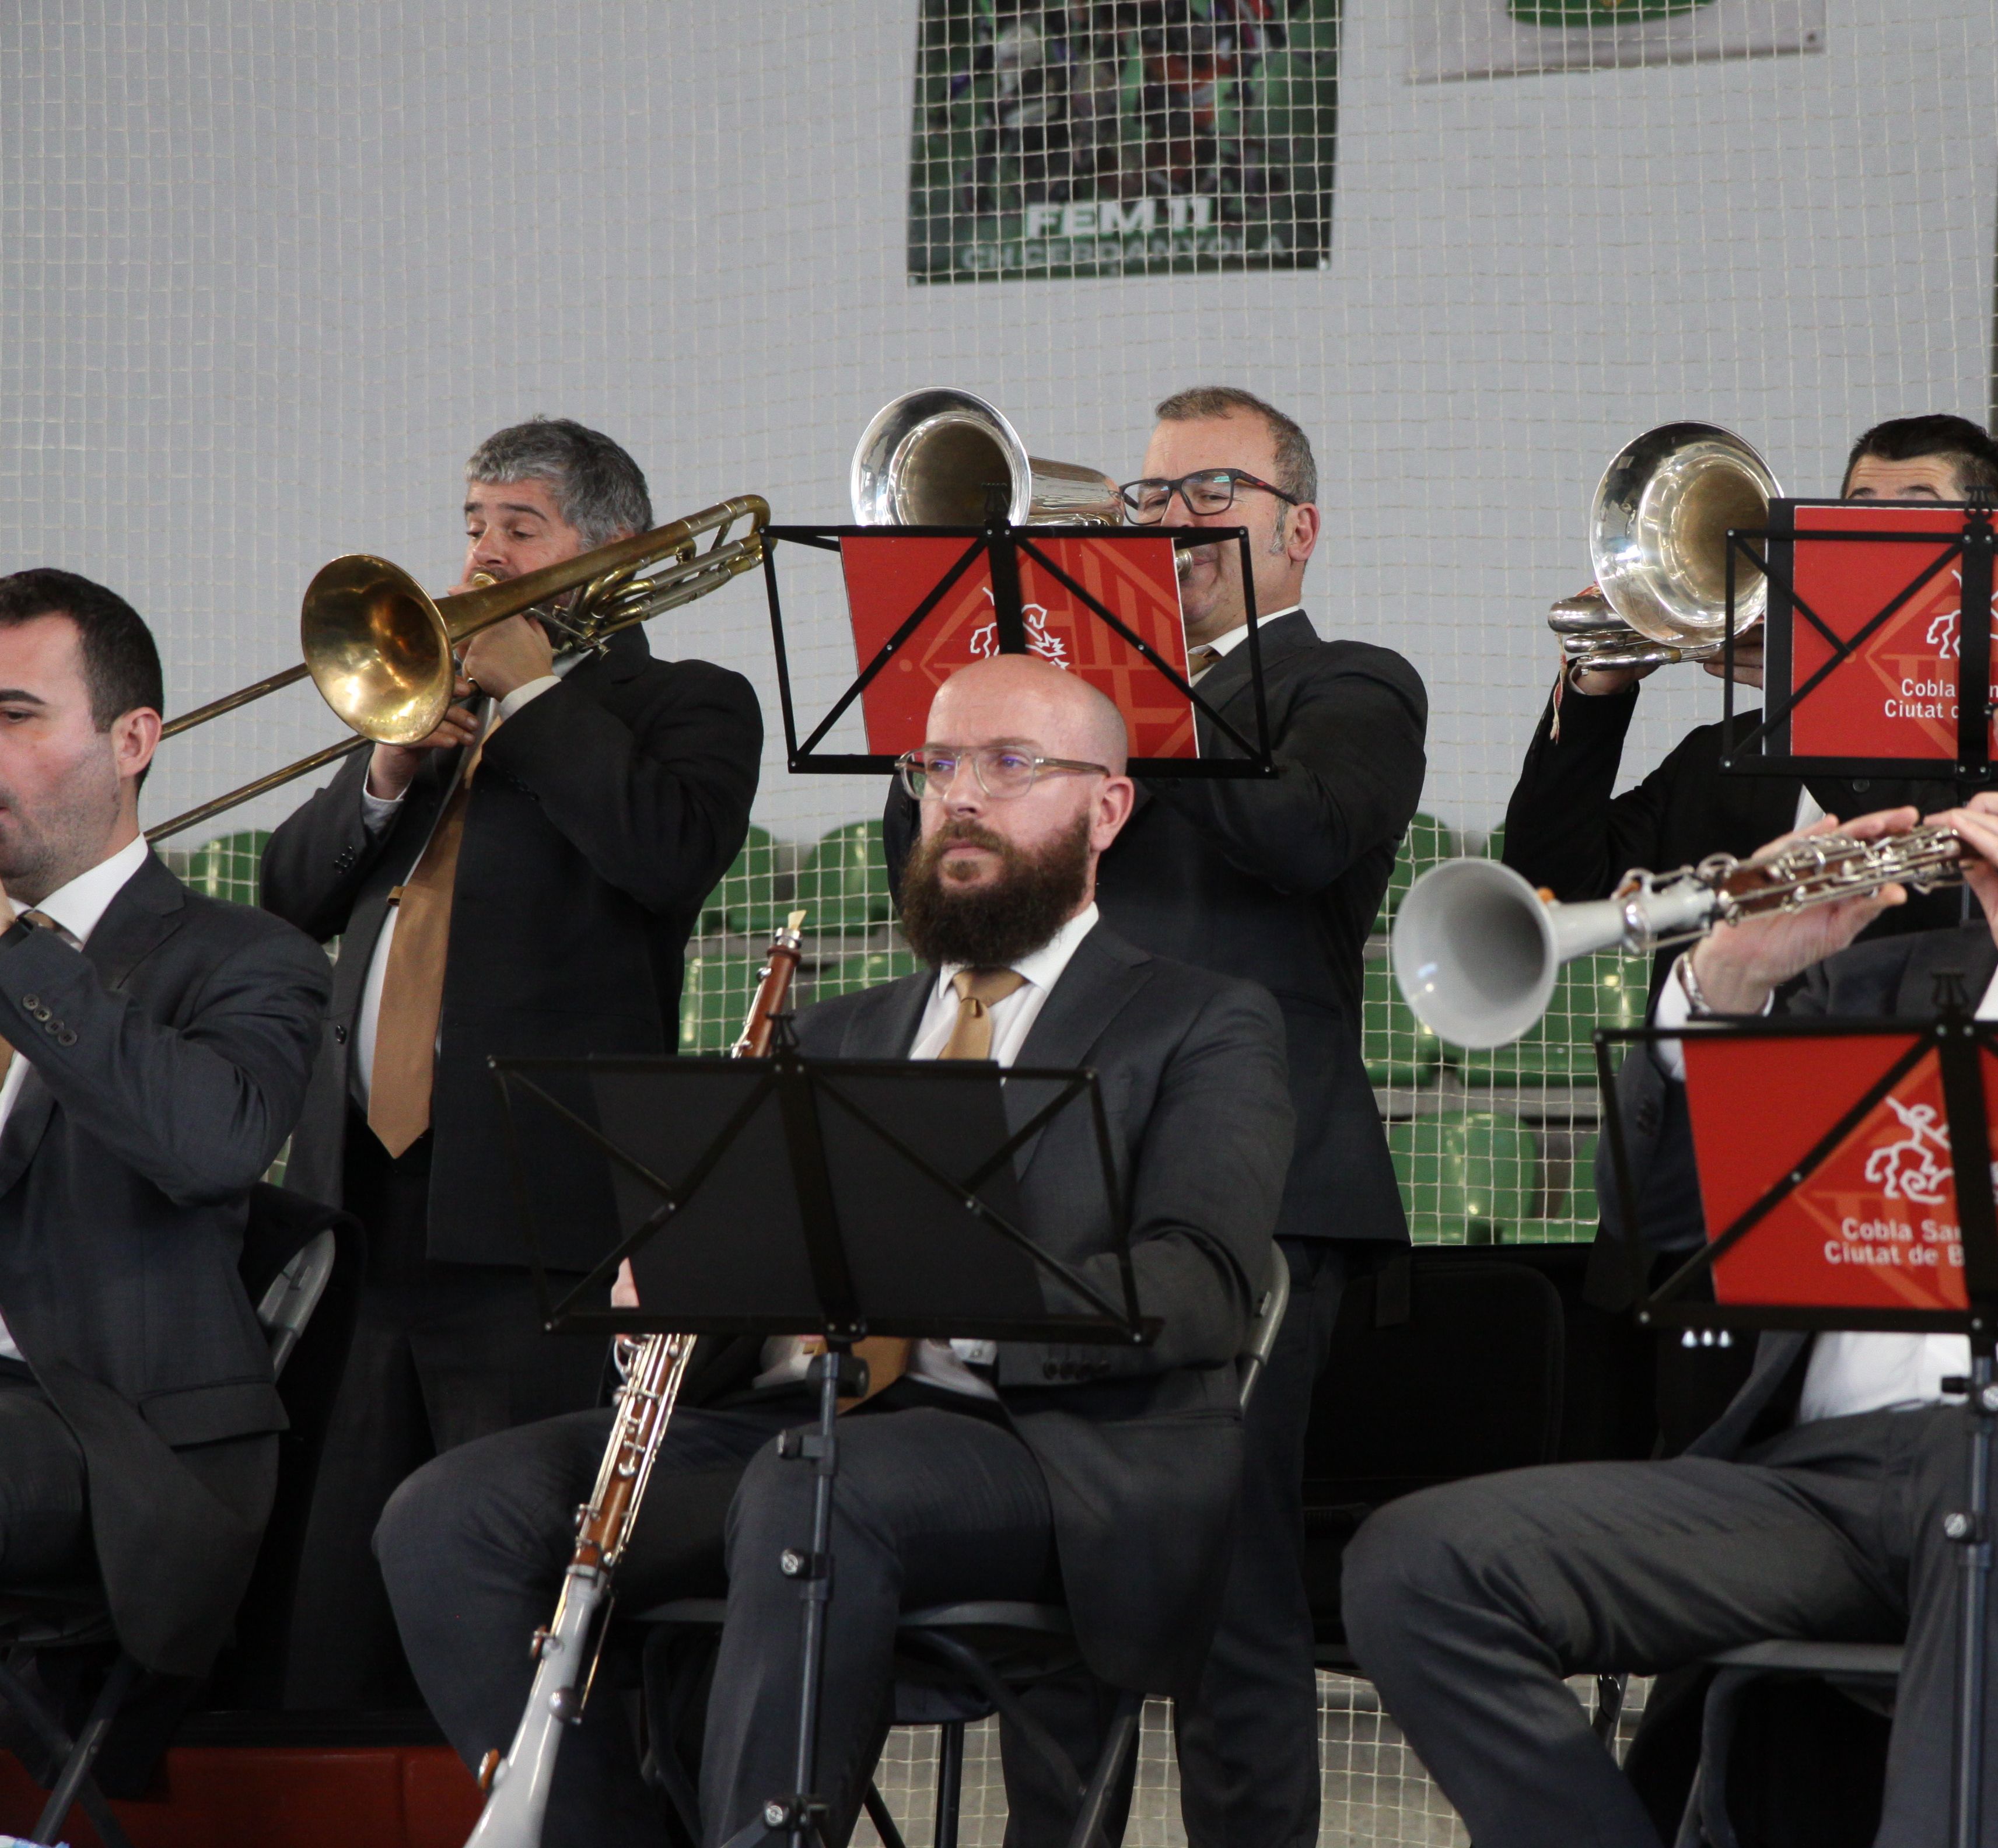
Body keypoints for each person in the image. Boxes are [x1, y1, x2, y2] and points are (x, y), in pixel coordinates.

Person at [1344, 544, 1998, 1848]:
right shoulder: (1876, 983)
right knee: (1418, 1566)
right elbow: (1667, 1251)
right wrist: (1729, 992)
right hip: (1834, 1484)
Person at [379, 654, 1292, 1848]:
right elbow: (756, 1292)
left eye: (1011, 766)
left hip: (1049, 1453)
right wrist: (685, 1283)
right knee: (451, 1515)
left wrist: (964, 1296)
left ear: (1107, 808)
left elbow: (1206, 1287)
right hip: (794, 1433)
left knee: (813, 1486)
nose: (960, 797)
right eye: (937, 765)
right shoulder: (838, 1028)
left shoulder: (1203, 1021)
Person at [883, 384, 1426, 1848]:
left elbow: (1299, 830)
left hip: (1259, 1192)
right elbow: (928, 882)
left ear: (1297, 530)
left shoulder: (1351, 685)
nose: (1165, 522)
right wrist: (969, 726)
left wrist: (1117, 669)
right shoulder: (1070, 703)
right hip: (1051, 1182)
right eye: (1147, 497)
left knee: (1229, 1596)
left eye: (1207, 497)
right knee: (1077, 1579)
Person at [258, 418, 765, 1707]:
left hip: (533, 1220)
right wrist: (380, 771)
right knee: (328, 1601)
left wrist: (536, 692)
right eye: (474, 523)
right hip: (359, 1211)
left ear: (610, 552)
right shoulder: (422, 701)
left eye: (518, 527)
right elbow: (287, 894)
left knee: (494, 1585)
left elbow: (662, 853)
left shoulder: (684, 705)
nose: (481, 553)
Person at [0, 569, 330, 1684]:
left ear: (133, 737)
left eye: (12, 717)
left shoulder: (248, 956)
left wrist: (13, 946)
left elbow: (211, 1144)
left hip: (119, 1444)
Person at [1502, 413, 1998, 1000]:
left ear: (1986, 554)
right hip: (1707, 1081)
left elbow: (1960, 906)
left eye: (1914, 513)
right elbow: (1552, 888)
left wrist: (1833, 700)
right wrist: (1593, 699)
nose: (1877, 536)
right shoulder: (1718, 756)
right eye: (1858, 510)